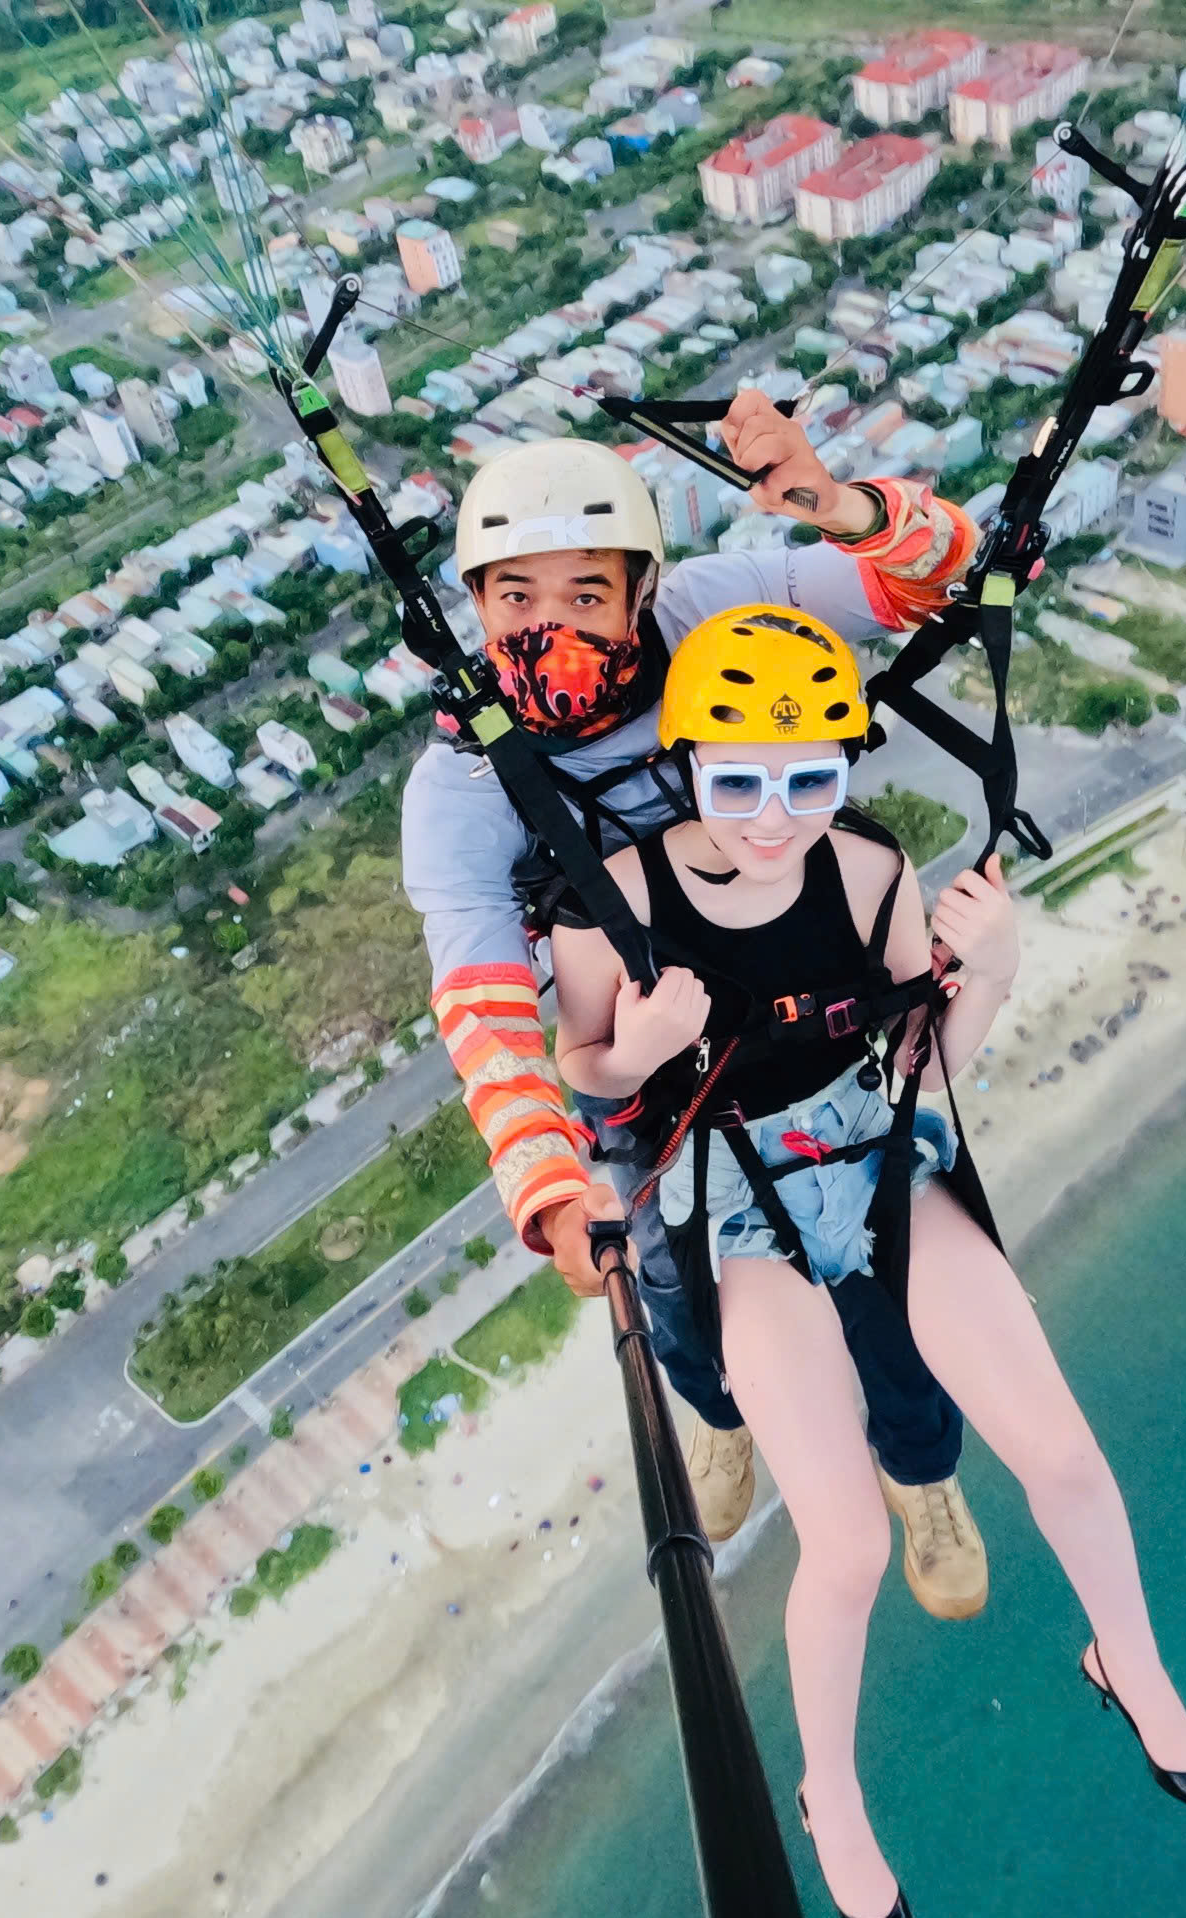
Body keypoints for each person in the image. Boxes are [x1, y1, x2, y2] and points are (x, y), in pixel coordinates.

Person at [547, 609, 1186, 1918]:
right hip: (731, 1194)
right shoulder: (615, 906)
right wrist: (640, 1047)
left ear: (842, 772)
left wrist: (990, 972)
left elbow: (924, 1060)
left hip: (871, 1148)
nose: (771, 816)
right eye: (739, 776)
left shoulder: (863, 873)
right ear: (689, 758)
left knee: (1067, 1454)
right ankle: (834, 1795)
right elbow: (585, 1084)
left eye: (807, 777)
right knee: (846, 1545)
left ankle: (1133, 1664)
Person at [403, 394, 990, 1617]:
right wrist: (549, 1186)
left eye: (581, 596)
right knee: (672, 1291)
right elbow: (487, 1006)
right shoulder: (466, 782)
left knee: (874, 1256)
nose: (548, 629)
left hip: (793, 996)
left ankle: (916, 1462)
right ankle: (725, 1415)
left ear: (638, 590)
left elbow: (931, 580)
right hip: (638, 1050)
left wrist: (837, 508)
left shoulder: (708, 615)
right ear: (474, 606)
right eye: (515, 598)